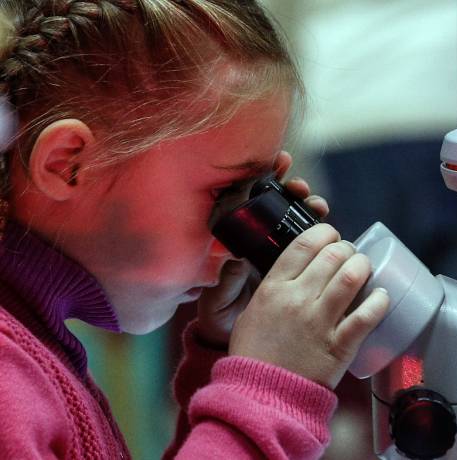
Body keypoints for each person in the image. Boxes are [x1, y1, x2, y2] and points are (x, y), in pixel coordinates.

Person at [0, 1, 389, 458]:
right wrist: (268, 395)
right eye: (225, 191)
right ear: (67, 164)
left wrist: (228, 360)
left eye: (257, 195)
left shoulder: (33, 350)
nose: (236, 244)